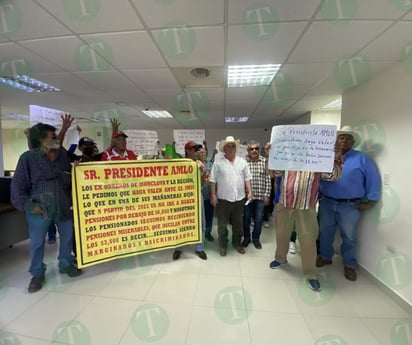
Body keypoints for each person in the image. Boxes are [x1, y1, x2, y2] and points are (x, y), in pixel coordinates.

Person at [11, 123, 82, 293]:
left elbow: (67, 177)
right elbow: (17, 187)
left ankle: (66, 264)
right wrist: (29, 206)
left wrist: (76, 172)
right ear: (41, 139)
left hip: (63, 205)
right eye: (52, 136)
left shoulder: (61, 156)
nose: (56, 139)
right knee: (36, 243)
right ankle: (37, 273)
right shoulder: (27, 158)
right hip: (39, 209)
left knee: (67, 237)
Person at [268, 143, 342, 291]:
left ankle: (311, 274)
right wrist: (272, 155)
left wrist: (333, 159)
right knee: (282, 235)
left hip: (306, 208)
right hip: (285, 205)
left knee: (308, 241)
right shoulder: (288, 160)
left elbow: (333, 176)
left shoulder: (316, 162)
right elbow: (273, 173)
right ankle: (280, 259)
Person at [317, 126, 381, 281]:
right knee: (325, 232)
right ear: (336, 140)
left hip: (350, 205)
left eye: (347, 138)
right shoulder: (327, 157)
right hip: (327, 201)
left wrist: (371, 202)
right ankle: (325, 256)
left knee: (349, 235)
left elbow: (373, 180)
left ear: (352, 142)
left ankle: (349, 264)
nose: (343, 140)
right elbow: (317, 177)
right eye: (341, 137)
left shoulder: (362, 158)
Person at [210, 136, 252, 256]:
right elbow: (212, 180)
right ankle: (223, 245)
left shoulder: (242, 162)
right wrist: (213, 195)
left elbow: (247, 178)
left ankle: (237, 243)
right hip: (223, 200)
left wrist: (250, 191)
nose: (230, 148)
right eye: (228, 146)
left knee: (238, 225)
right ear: (224, 149)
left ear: (236, 148)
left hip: (239, 199)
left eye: (232, 146)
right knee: (222, 225)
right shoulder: (218, 163)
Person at [172, 141, 207, 260]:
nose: (197, 152)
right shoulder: (180, 163)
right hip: (183, 197)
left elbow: (205, 179)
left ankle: (199, 248)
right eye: (194, 149)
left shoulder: (199, 163)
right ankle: (178, 248)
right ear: (188, 151)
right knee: (181, 223)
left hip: (197, 196)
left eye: (198, 149)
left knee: (200, 223)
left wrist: (203, 169)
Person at [241, 141, 271, 249]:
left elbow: (268, 179)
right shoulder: (244, 163)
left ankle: (256, 239)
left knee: (258, 219)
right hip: (247, 197)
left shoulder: (264, 161)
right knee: (246, 219)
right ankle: (246, 238)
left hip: (260, 197)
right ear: (248, 151)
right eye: (251, 149)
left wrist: (267, 195)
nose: (254, 150)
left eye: (256, 148)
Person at [197, 144, 216, 241]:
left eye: (204, 152)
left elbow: (213, 177)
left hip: (209, 195)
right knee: (200, 218)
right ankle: (200, 235)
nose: (203, 154)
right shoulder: (195, 164)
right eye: (200, 152)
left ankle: (208, 233)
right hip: (199, 196)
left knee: (209, 216)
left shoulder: (210, 164)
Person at [262, 142, 275, 228]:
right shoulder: (259, 161)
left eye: (266, 151)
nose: (265, 153)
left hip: (270, 181)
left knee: (267, 201)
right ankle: (255, 218)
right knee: (258, 202)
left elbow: (274, 174)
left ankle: (265, 219)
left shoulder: (272, 162)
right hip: (260, 183)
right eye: (263, 152)